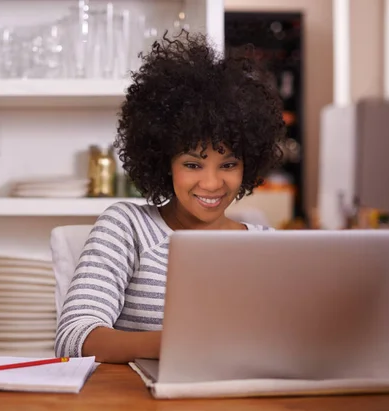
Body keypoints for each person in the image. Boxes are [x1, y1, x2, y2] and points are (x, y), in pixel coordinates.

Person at [55, 31, 286, 363]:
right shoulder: (127, 227)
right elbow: (74, 337)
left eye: (229, 164)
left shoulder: (270, 247)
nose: (211, 183)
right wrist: (178, 345)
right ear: (165, 162)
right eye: (193, 164)